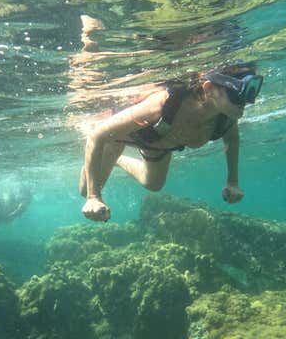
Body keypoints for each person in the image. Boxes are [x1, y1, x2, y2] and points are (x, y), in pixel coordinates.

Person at [74, 17, 264, 222]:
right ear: (209, 89)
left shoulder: (224, 115)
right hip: (124, 134)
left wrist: (232, 182)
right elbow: (96, 135)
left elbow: (232, 139)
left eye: (252, 91)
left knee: (153, 184)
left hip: (158, 140)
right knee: (85, 190)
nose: (247, 101)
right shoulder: (163, 105)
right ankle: (114, 148)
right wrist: (94, 197)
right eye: (238, 94)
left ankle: (118, 160)